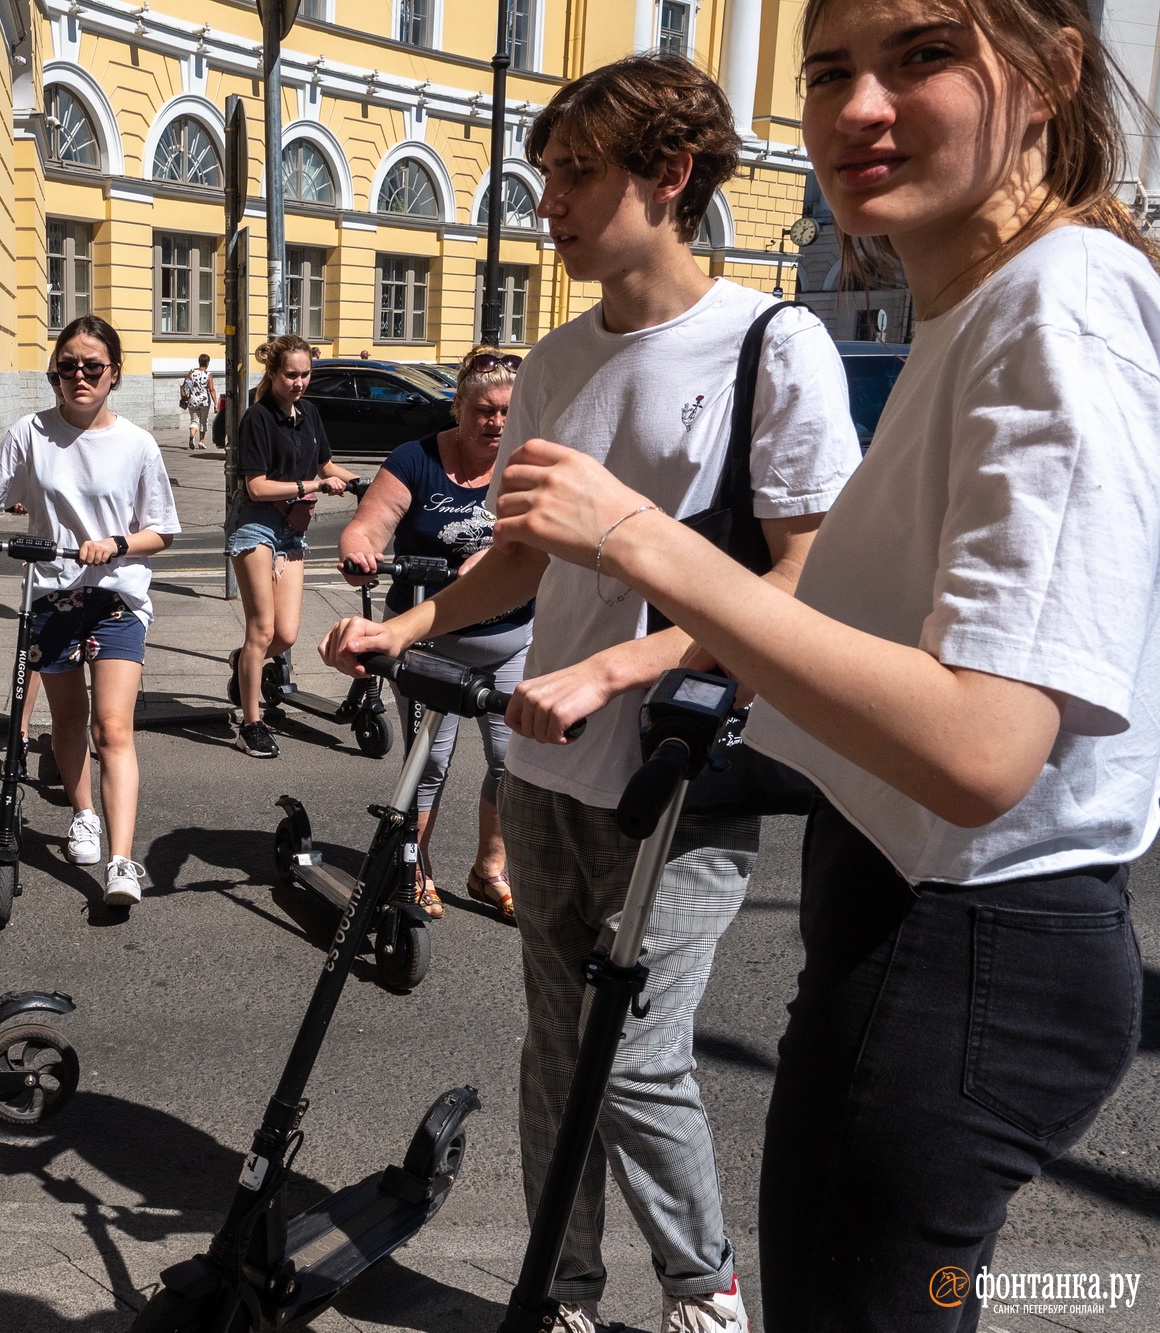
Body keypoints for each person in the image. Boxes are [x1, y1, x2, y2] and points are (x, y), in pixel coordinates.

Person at [478, 2, 1158, 1327]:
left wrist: (642, 547)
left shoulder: (1056, 309)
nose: (858, 110)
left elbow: (979, 747)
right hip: (924, 924)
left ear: (1050, 72)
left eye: (922, 56)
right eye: (832, 70)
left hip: (967, 941)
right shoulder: (994, 306)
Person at [322, 55, 862, 1331]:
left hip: (686, 758)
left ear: (667, 176)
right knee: (558, 1044)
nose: (547, 202)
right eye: (543, 175)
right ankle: (556, 1288)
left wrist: (620, 665)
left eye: (574, 174)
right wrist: (401, 624)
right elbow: (515, 553)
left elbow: (804, 569)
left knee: (633, 1050)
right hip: (548, 761)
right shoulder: (557, 358)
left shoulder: (767, 346)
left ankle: (701, 1287)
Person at [0, 315, 180, 907]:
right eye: (68, 366)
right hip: (52, 596)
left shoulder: (136, 444)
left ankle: (123, 862)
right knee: (67, 720)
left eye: (93, 367)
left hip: (116, 598)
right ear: (54, 371)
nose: (79, 376)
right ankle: (83, 813)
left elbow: (162, 530)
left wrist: (118, 545)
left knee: (113, 728)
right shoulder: (31, 432)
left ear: (114, 375)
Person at [339, 347, 531, 924]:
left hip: (512, 638)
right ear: (459, 406)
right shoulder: (414, 459)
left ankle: (489, 869)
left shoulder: (524, 463)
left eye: (506, 411)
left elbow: (537, 537)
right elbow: (368, 525)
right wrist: (359, 550)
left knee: (511, 763)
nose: (496, 423)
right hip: (428, 640)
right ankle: (414, 866)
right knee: (431, 765)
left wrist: (495, 559)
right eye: (484, 410)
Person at [227, 333, 365, 759]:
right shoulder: (258, 418)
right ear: (273, 373)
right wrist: (314, 485)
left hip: (292, 528)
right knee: (262, 628)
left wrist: (360, 483)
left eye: (306, 374)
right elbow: (255, 486)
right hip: (257, 527)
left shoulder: (309, 415)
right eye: (291, 375)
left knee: (284, 635)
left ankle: (246, 664)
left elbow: (324, 462)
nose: (300, 382)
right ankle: (251, 723)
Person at [182, 353, 214, 449]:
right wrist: (216, 402)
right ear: (207, 363)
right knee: (203, 421)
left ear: (199, 362)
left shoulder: (191, 372)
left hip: (193, 400)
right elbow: (211, 389)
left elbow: (185, 384)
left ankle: (192, 436)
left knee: (194, 420)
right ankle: (201, 442)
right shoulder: (208, 374)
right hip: (204, 401)